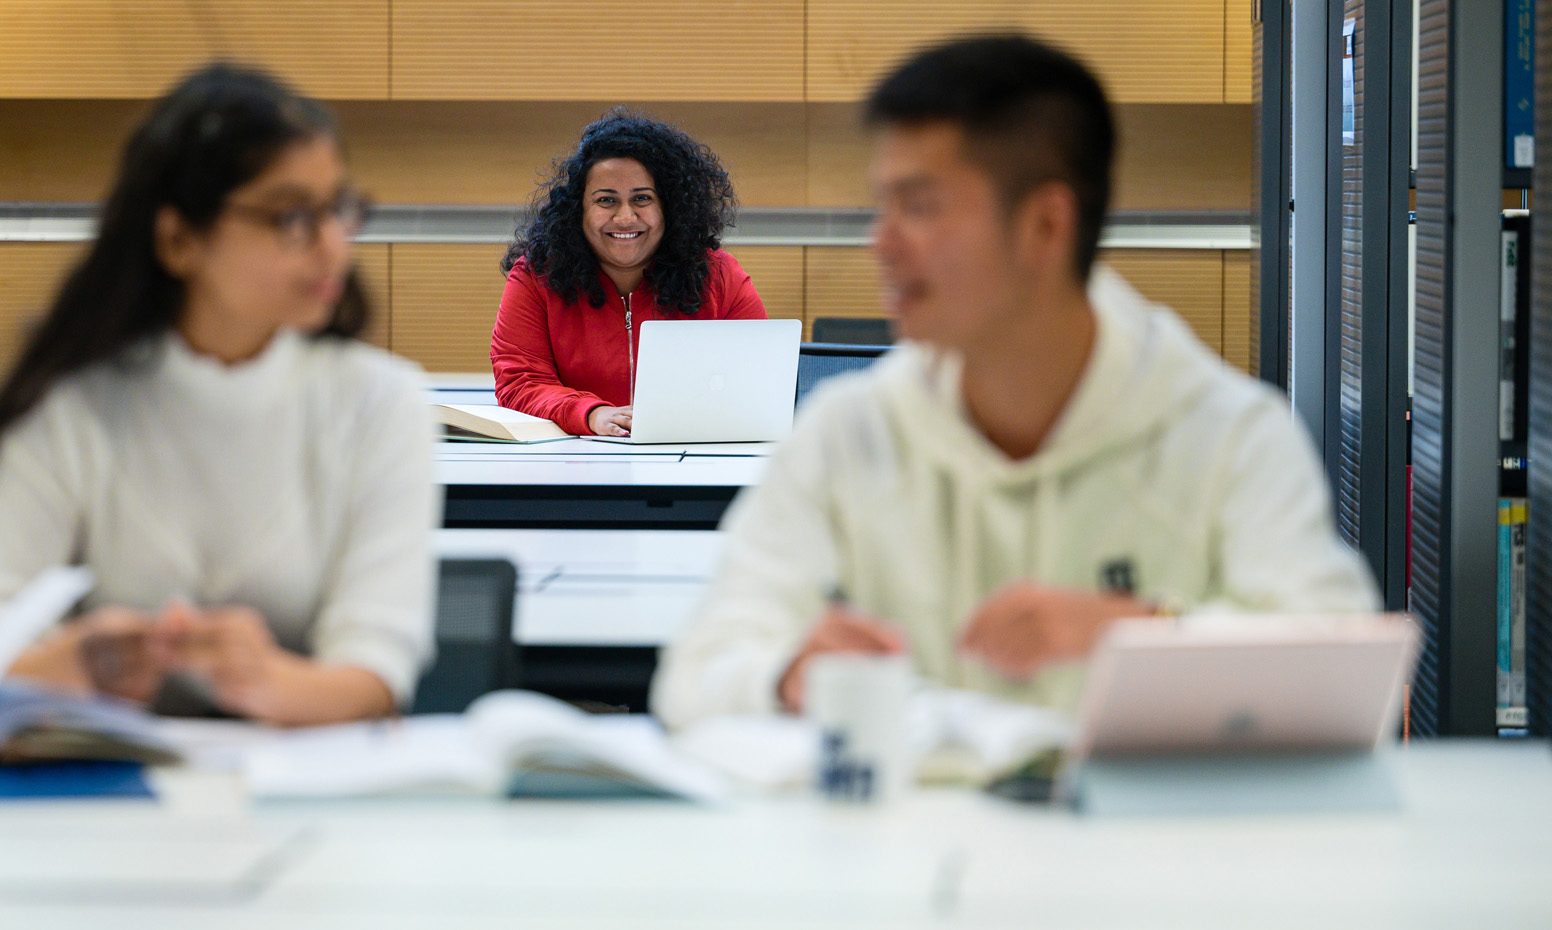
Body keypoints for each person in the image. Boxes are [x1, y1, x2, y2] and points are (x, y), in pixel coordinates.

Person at [651, 36, 1380, 727]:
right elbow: (693, 677)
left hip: (1142, 853)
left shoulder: (1227, 432)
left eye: (921, 206)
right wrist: (785, 674)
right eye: (884, 205)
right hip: (902, 852)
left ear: (1044, 225)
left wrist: (1141, 630)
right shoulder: (849, 431)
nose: (883, 242)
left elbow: (1347, 678)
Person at [0, 65, 438, 727]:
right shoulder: (70, 408)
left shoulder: (383, 403)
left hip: (308, 800)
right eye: (291, 216)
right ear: (179, 239)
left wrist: (266, 682)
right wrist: (77, 663)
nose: (332, 247)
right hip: (98, 803)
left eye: (338, 210)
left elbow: (376, 678)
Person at [491, 109, 768, 437]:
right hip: (573, 465)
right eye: (606, 200)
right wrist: (592, 414)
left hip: (690, 463)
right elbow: (521, 382)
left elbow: (760, 381)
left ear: (670, 207)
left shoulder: (720, 278)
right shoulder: (535, 278)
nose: (625, 217)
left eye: (642, 198)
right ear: (578, 210)